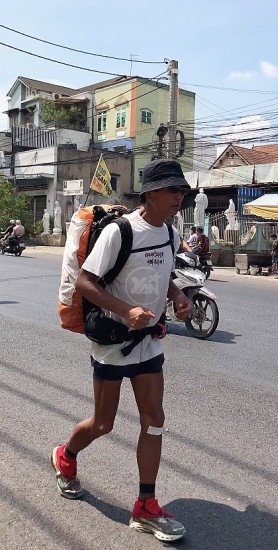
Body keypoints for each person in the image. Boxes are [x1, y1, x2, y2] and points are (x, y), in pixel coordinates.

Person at [51, 158, 193, 542]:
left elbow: (165, 276)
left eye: (180, 190)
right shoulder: (120, 231)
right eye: (171, 189)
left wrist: (178, 295)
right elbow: (85, 282)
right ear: (149, 192)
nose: (178, 196)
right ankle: (65, 456)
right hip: (112, 343)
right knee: (103, 424)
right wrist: (125, 310)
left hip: (148, 341)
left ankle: (145, 506)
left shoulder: (169, 233)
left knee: (155, 419)